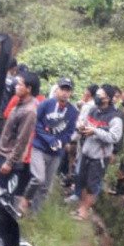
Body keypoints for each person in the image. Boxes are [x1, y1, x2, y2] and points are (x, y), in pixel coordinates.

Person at [25, 78, 79, 212]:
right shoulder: (46, 104)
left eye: (68, 90)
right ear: (57, 90)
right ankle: (26, 198)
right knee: (38, 178)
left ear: (71, 93)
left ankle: (35, 214)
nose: (65, 93)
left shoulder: (72, 112)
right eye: (62, 89)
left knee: (46, 187)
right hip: (39, 147)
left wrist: (62, 142)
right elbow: (36, 123)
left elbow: (70, 131)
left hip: (57, 152)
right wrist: (49, 139)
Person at [74, 85, 123, 220]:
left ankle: (84, 211)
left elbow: (114, 137)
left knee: (92, 185)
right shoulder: (93, 110)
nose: (97, 97)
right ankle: (80, 208)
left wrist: (95, 131)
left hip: (100, 156)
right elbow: (84, 122)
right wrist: (81, 127)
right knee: (82, 181)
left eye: (100, 95)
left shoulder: (115, 118)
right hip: (86, 152)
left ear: (107, 98)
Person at [0, 72, 39, 193]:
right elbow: (8, 131)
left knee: (4, 196)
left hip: (10, 160)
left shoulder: (30, 111)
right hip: (2, 154)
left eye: (20, 84)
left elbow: (22, 140)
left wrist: (9, 163)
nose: (16, 86)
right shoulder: (20, 103)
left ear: (28, 89)